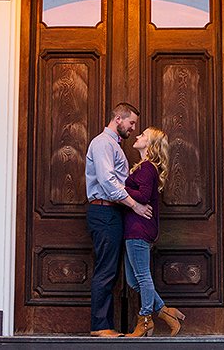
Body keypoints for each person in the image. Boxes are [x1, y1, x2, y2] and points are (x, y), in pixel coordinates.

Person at [84, 103, 154, 338]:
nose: (133, 128)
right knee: (106, 269)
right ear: (118, 119)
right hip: (104, 212)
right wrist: (135, 205)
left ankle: (106, 324)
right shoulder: (103, 143)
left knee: (112, 269)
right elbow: (107, 181)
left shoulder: (114, 145)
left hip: (113, 213)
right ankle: (100, 326)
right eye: (131, 123)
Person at [123, 127, 185, 337]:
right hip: (134, 228)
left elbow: (143, 195)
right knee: (134, 280)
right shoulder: (143, 167)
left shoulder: (147, 167)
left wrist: (120, 187)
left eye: (143, 135)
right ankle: (167, 313)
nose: (138, 136)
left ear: (150, 145)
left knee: (142, 276)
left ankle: (146, 319)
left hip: (139, 229)